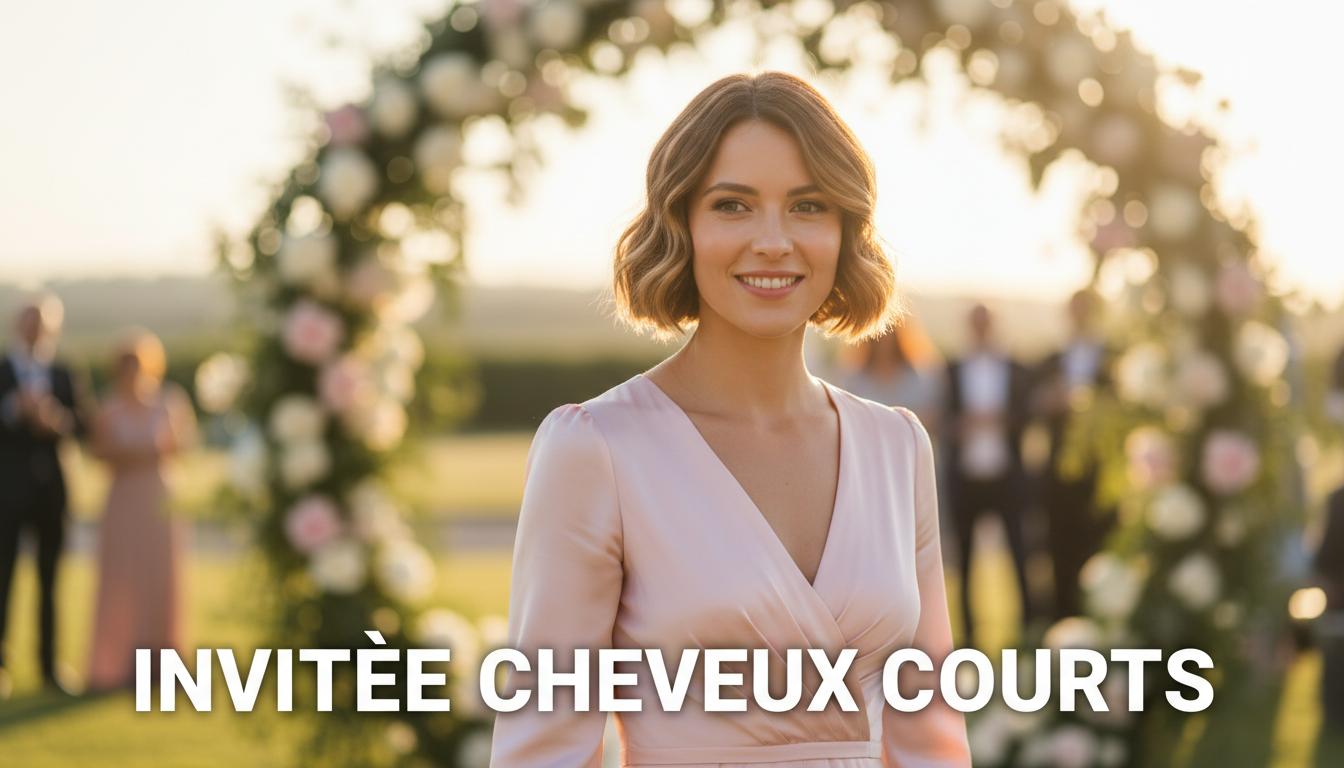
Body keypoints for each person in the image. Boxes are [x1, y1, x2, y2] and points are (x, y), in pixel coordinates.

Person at [489, 72, 970, 766]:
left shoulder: (896, 447)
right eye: (733, 206)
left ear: (844, 230)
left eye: (807, 206)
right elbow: (543, 750)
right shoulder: (596, 449)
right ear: (681, 225)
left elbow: (930, 740)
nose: (773, 241)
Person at [85, 330, 196, 692]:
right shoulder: (109, 407)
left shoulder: (169, 401)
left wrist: (136, 454)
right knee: (120, 578)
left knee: (159, 577)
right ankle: (115, 663)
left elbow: (181, 446)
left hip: (158, 499)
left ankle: (163, 666)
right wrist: (139, 454)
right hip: (123, 499)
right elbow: (100, 453)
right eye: (124, 365)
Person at [0, 293, 89, 698]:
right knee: (3, 579)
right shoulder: (3, 370)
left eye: (43, 322)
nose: (35, 329)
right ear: (19, 325)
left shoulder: (65, 372)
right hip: (7, 491)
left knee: (50, 581)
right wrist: (15, 411)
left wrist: (56, 420)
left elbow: (82, 426)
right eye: (29, 321)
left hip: (52, 491)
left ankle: (49, 666)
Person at [942, 303, 1034, 648]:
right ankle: (968, 642)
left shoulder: (1016, 369)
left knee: (1019, 557)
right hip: (964, 480)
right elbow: (941, 419)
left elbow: (1027, 415)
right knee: (964, 564)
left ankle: (1028, 632)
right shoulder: (950, 369)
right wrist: (962, 425)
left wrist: (1001, 420)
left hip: (1007, 478)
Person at [1030, 289, 1116, 620]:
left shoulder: (1113, 359)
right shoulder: (1052, 360)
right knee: (1059, 549)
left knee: (1100, 546)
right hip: (1058, 475)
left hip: (1103, 473)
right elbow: (1030, 405)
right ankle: (1061, 620)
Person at [835, 319, 945, 438]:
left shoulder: (919, 375)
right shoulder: (855, 379)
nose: (884, 340)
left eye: (889, 332)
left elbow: (931, 417)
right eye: (879, 333)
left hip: (908, 445)